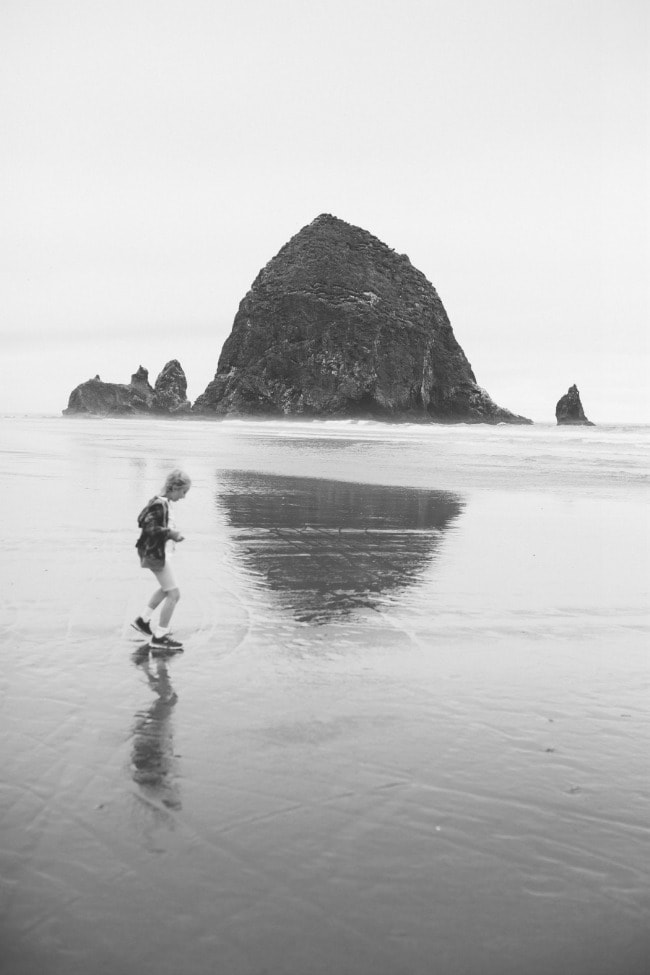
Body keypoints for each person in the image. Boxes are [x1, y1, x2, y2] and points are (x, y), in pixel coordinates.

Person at [132, 469, 191, 653]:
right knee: (174, 594)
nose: (183, 496)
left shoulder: (160, 502)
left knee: (167, 589)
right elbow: (147, 526)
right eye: (183, 492)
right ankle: (160, 636)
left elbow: (143, 519)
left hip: (156, 552)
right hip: (155, 554)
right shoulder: (160, 504)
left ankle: (143, 620)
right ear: (174, 488)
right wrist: (171, 533)